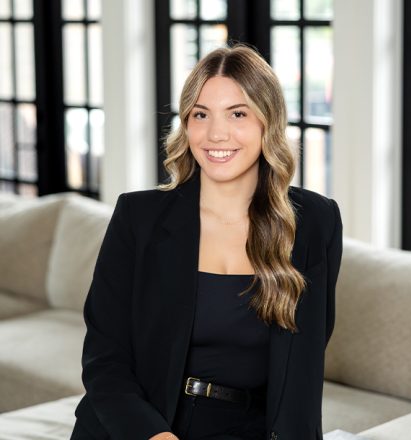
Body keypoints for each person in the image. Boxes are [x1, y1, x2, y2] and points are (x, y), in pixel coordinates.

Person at [70, 44, 343, 440]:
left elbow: (303, 364)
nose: (217, 133)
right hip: (139, 428)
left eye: (238, 113)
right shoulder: (138, 217)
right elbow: (104, 359)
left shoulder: (315, 222)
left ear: (268, 122)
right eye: (201, 115)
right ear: (186, 124)